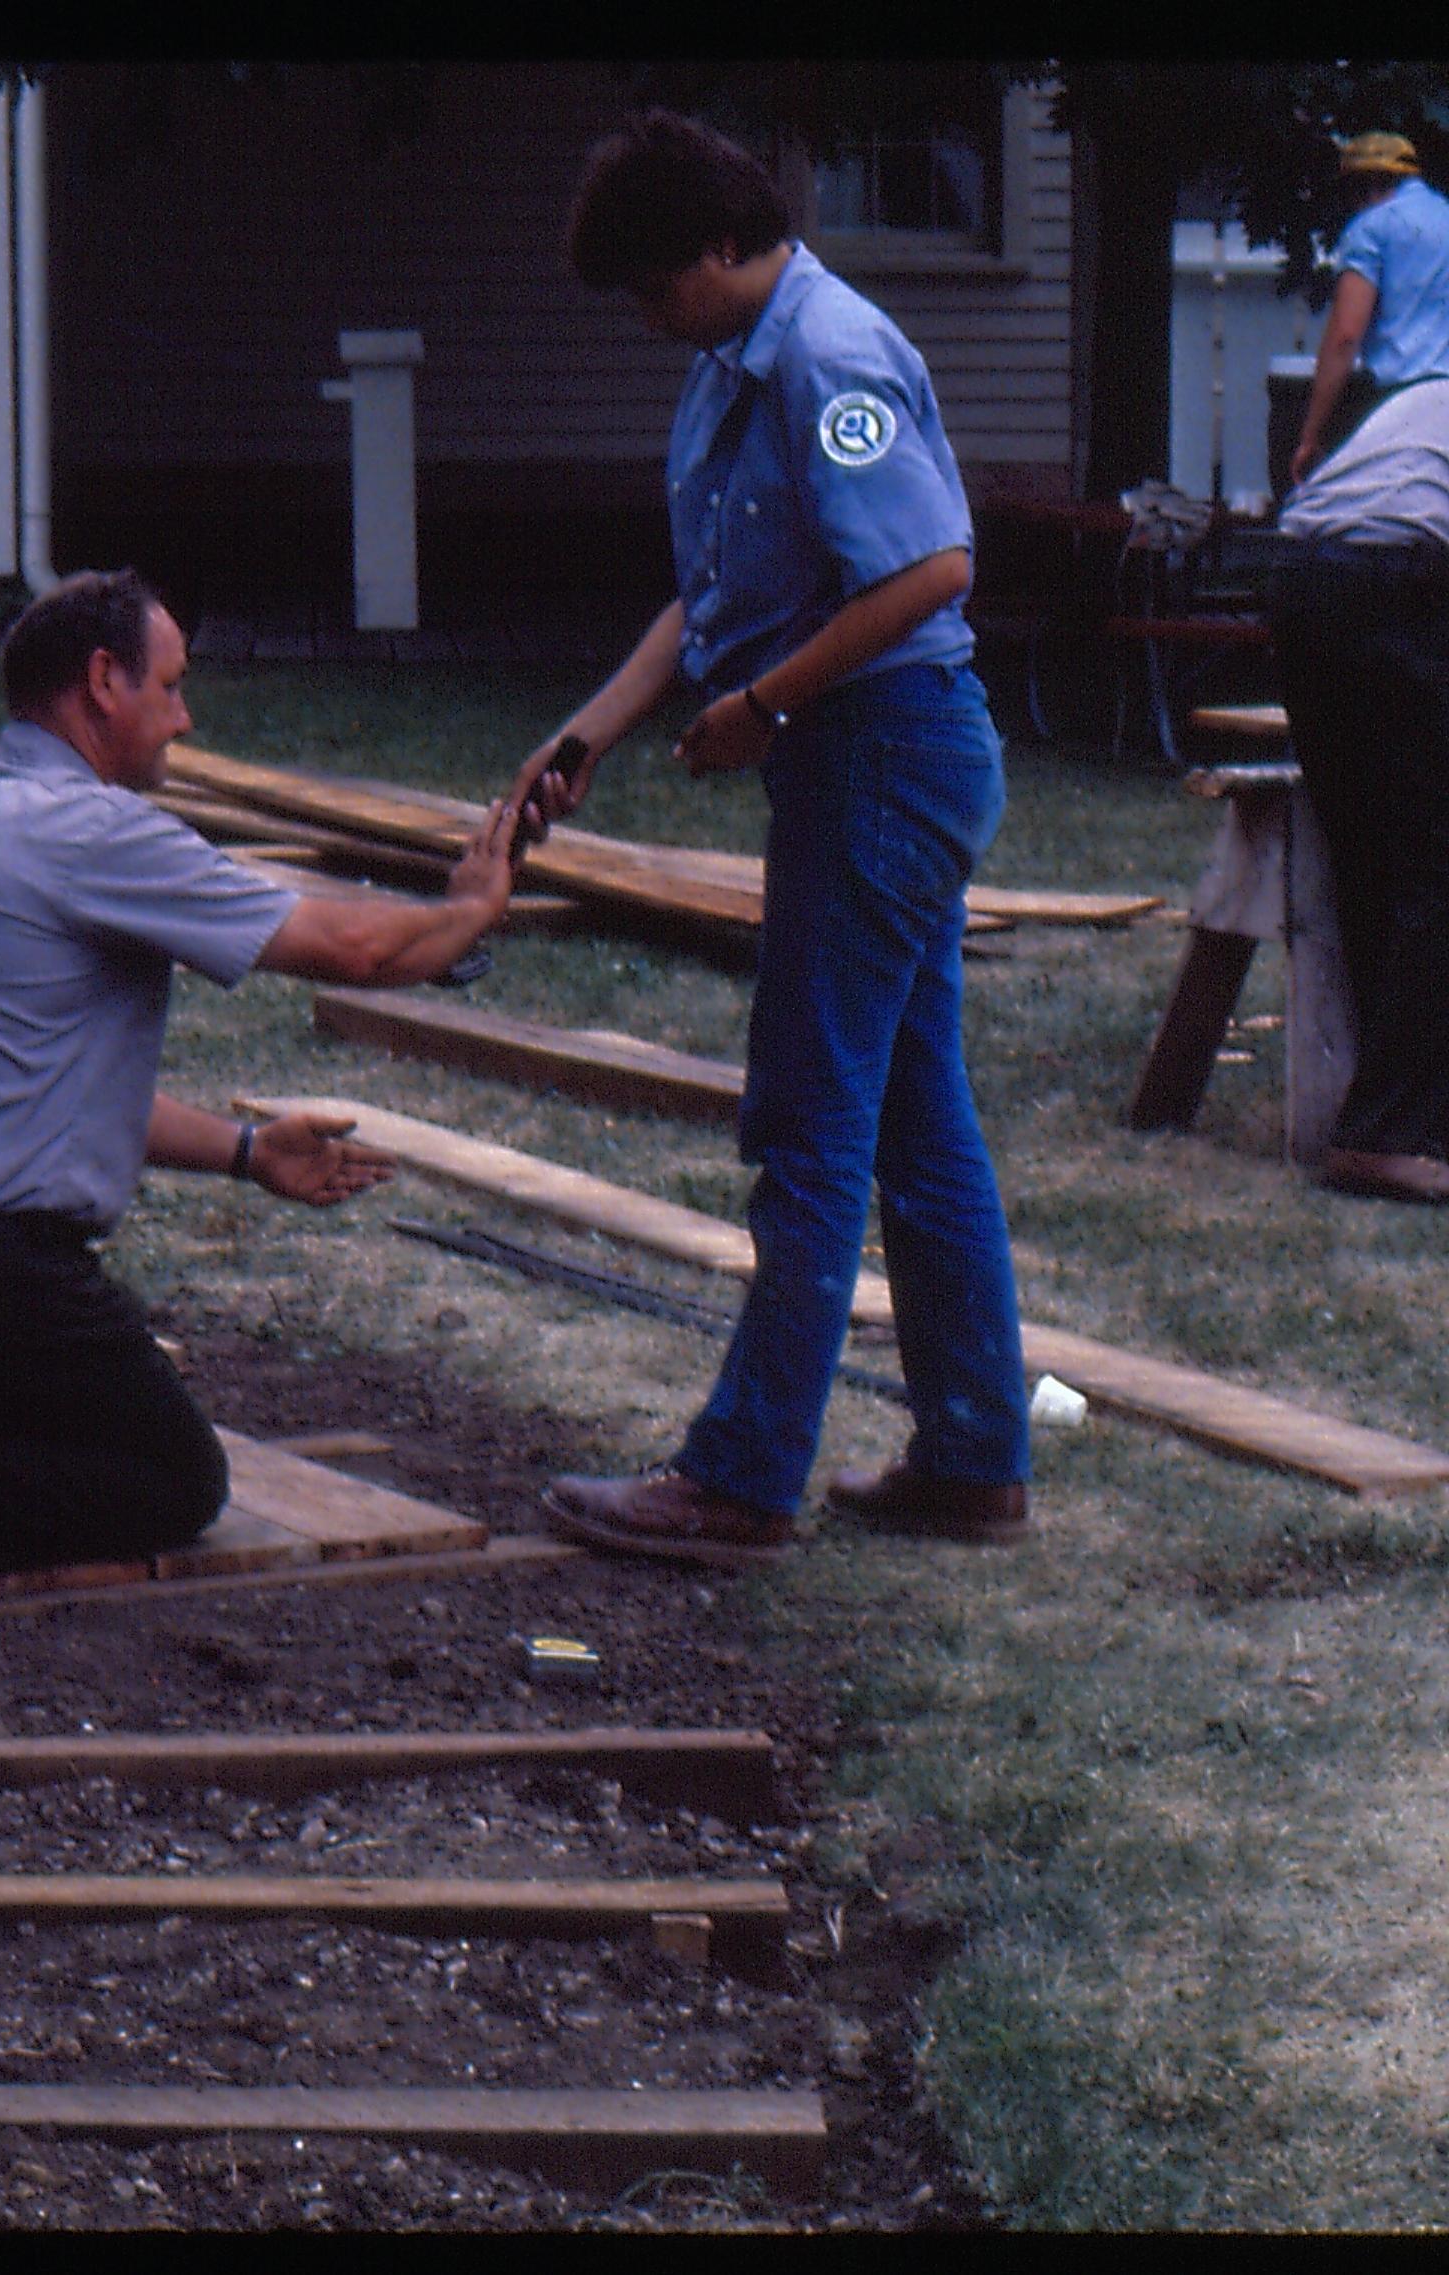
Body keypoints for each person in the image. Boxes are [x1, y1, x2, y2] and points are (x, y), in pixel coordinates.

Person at [0, 568, 533, 1638]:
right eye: (170, 685)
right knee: (168, 1478)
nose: (185, 715)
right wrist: (473, 908)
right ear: (103, 681)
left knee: (70, 1434)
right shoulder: (88, 830)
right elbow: (348, 946)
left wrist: (248, 1150)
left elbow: (46, 1091)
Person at [523, 110, 1030, 1571]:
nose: (645, 315)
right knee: (914, 1116)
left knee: (808, 1119)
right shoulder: (729, 365)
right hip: (854, 753)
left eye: (657, 285)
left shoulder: (831, 357)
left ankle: (743, 1477)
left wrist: (758, 704)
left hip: (885, 749)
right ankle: (976, 1455)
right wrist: (591, 731)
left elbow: (932, 565)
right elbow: (714, 589)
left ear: (729, 246)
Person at [1266, 370, 1449, 1200]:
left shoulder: (1427, 395)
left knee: (1373, 850)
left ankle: (1394, 1117)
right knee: (1433, 863)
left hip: (1300, 572)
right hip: (1390, 571)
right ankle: (1386, 1133)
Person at [1289, 133, 1449, 494]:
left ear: (1367, 184)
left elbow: (1345, 337)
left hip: (1408, 406)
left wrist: (1311, 435)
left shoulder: (1371, 229)